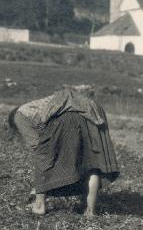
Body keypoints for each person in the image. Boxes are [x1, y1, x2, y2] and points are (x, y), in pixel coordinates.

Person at [8, 88, 120, 216]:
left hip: (69, 116)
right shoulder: (35, 107)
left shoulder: (19, 116)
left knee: (43, 156)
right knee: (92, 165)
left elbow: (37, 146)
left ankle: (39, 205)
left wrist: (38, 188)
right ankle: (90, 211)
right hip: (92, 111)